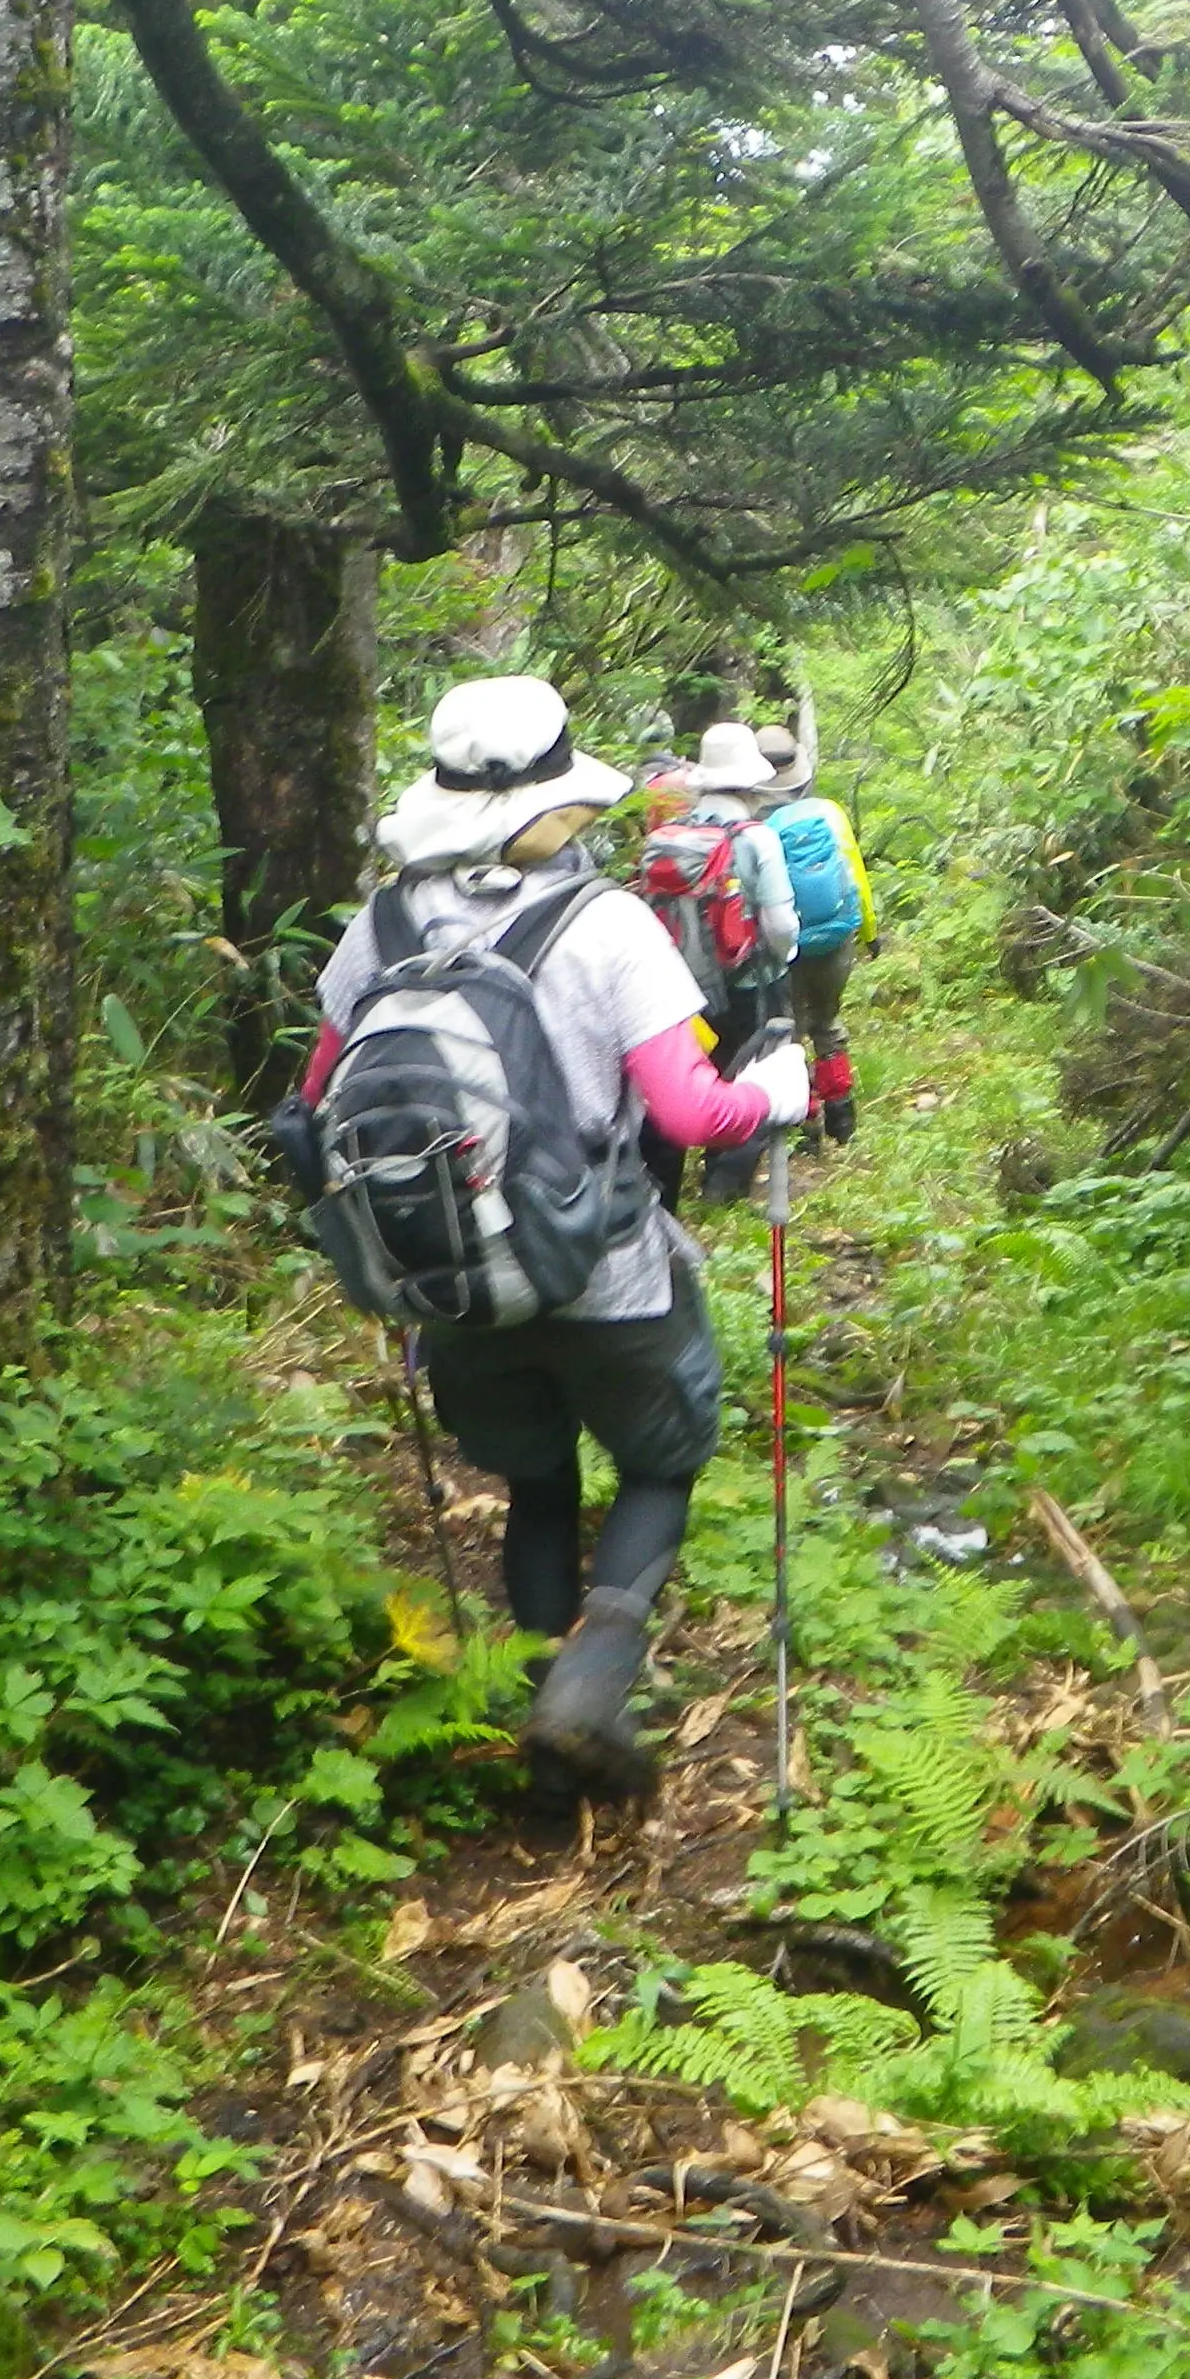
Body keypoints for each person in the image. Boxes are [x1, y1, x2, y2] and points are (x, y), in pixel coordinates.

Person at [295, 676, 807, 1802]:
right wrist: (773, 1094)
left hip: (455, 1282)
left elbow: (316, 1103)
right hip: (605, 1271)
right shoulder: (606, 925)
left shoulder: (373, 929)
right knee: (660, 1464)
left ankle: (540, 1708)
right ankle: (586, 1689)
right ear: (554, 806)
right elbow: (688, 1115)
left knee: (534, 1482)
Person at [637, 720, 800, 1208]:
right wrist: (782, 958)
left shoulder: (665, 837)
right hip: (746, 980)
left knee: (680, 1073)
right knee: (745, 1068)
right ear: (753, 781)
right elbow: (781, 924)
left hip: (675, 984)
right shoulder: (757, 839)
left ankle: (660, 1191)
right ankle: (722, 1185)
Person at [753, 722, 874, 1144]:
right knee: (827, 1023)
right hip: (838, 936)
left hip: (788, 946)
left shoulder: (755, 831)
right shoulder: (828, 812)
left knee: (791, 1032)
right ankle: (843, 1115)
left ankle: (810, 1121)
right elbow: (855, 875)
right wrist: (868, 931)